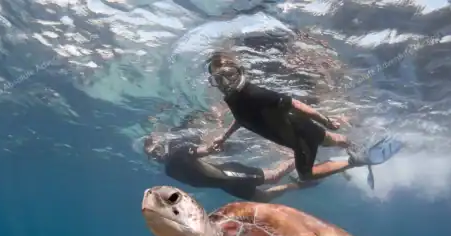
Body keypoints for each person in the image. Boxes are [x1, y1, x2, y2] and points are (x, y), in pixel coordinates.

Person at [204, 51, 381, 182]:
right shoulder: (233, 99)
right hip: (303, 128)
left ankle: (355, 161)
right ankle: (356, 146)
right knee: (330, 140)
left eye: (228, 75)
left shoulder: (254, 93)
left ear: (239, 71)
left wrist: (325, 120)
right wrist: (224, 136)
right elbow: (242, 118)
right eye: (218, 79)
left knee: (306, 175)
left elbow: (295, 104)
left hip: (300, 138)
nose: (225, 83)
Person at [142, 127, 318, 203]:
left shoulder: (177, 153)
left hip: (228, 174)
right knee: (262, 198)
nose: (155, 155)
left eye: (155, 149)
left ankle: (300, 154)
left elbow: (205, 150)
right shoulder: (169, 170)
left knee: (274, 176)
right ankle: (296, 185)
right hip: (223, 184)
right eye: (151, 154)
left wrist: (215, 143)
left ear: (161, 144)